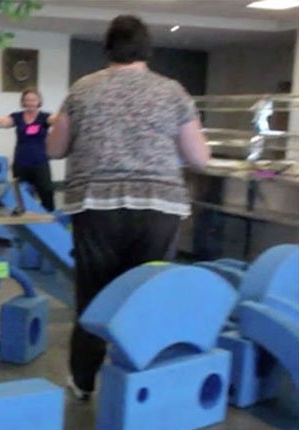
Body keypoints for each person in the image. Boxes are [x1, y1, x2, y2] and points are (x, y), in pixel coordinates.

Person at [46, 15, 210, 401]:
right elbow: (199, 158)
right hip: (158, 207)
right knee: (146, 296)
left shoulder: (83, 89)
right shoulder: (173, 92)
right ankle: (140, 381)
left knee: (94, 293)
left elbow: (54, 149)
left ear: (108, 48)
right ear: (146, 49)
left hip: (96, 205)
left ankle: (83, 381)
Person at [0, 89, 56, 211]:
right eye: (27, 100)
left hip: (40, 162)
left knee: (46, 192)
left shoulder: (44, 117)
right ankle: (25, 220)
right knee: (21, 195)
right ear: (23, 102)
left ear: (39, 101)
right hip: (21, 163)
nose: (30, 103)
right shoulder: (17, 117)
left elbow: (56, 119)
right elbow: (4, 122)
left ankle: (51, 219)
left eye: (33, 100)